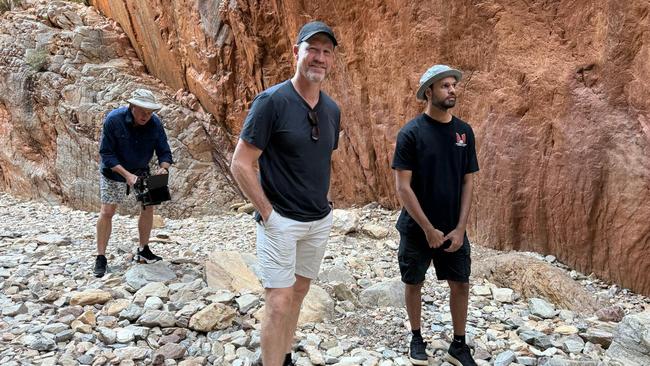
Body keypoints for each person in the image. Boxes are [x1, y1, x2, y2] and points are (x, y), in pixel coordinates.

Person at [230, 21, 340, 366]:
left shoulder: (332, 110)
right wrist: (268, 214)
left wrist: (328, 205)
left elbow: (322, 160)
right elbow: (241, 163)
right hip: (280, 221)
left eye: (326, 52)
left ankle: (285, 354)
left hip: (318, 221)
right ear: (297, 53)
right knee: (278, 302)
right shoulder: (272, 102)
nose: (319, 58)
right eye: (312, 50)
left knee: (299, 294)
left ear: (332, 59)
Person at [392, 65, 480, 366]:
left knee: (461, 283)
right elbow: (403, 187)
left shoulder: (464, 132)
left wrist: (460, 227)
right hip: (417, 229)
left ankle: (458, 344)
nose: (452, 90)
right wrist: (428, 228)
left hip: (453, 228)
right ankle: (416, 337)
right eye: (445, 85)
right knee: (414, 282)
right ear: (428, 91)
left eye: (454, 85)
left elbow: (468, 180)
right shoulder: (411, 134)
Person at [94, 88, 173, 278]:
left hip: (141, 170)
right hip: (114, 171)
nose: (147, 115)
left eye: (150, 112)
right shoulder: (114, 119)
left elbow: (164, 151)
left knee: (149, 207)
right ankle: (101, 257)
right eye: (143, 111)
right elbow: (106, 154)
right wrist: (126, 175)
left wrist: (164, 168)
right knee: (107, 212)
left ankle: (143, 249)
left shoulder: (155, 123)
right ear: (132, 107)